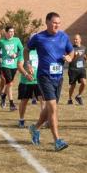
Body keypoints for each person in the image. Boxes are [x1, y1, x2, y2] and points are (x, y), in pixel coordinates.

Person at [26, 12, 74, 151]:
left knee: (49, 109)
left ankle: (35, 128)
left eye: (59, 23)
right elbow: (26, 49)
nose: (57, 25)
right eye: (54, 22)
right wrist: (28, 62)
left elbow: (71, 52)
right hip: (44, 76)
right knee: (53, 107)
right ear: (47, 22)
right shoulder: (39, 37)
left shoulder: (63, 36)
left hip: (58, 76)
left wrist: (70, 58)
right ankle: (57, 140)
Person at [17, 47, 45, 128]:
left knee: (43, 101)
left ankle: (42, 121)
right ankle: (21, 120)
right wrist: (26, 74)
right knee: (24, 101)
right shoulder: (24, 50)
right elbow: (19, 65)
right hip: (26, 81)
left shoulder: (41, 50)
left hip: (39, 81)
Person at [0, 26, 24, 111]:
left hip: (14, 65)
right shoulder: (2, 41)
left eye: (13, 31)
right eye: (10, 31)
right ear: (6, 32)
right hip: (5, 64)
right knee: (10, 83)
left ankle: (3, 96)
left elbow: (21, 49)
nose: (12, 33)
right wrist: (0, 57)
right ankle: (12, 104)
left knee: (10, 83)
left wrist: (16, 55)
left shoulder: (17, 40)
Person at [67, 34, 87, 105]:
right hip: (73, 69)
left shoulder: (84, 47)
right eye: (74, 39)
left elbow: (84, 55)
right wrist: (75, 56)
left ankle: (79, 96)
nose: (75, 40)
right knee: (73, 85)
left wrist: (86, 59)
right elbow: (69, 59)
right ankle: (69, 99)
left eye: (77, 39)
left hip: (81, 69)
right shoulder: (71, 49)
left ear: (80, 39)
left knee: (84, 83)